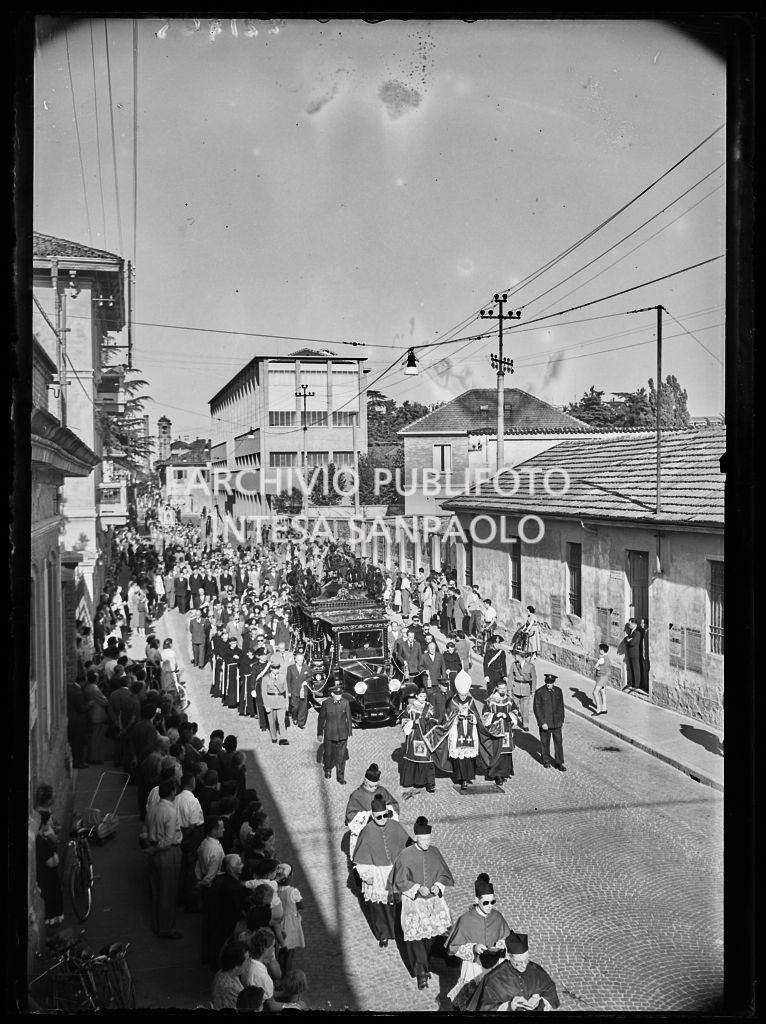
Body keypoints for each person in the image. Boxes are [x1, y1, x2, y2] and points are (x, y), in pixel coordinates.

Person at [389, 815, 454, 990]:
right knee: (415, 939)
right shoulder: (406, 855)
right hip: (414, 902)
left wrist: (438, 886)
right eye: (423, 839)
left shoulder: (434, 851)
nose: (426, 842)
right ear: (416, 837)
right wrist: (417, 888)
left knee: (429, 937)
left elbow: (444, 874)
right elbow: (400, 880)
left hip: (432, 902)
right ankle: (421, 972)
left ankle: (426, 961)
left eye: (428, 839)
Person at [352, 794, 410, 948]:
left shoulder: (395, 826)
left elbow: (407, 845)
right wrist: (366, 875)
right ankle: (382, 934)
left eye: (385, 815)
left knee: (397, 905)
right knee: (378, 908)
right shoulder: (367, 831)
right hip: (376, 873)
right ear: (372, 815)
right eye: (379, 817)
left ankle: (399, 931)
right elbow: (360, 858)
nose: (383, 819)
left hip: (394, 871)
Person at [446, 872, 512, 1006]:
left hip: (495, 965)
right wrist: (473, 948)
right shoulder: (465, 920)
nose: (490, 906)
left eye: (493, 901)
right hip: (474, 966)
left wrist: (500, 944)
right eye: (486, 902)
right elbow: (453, 947)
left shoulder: (497, 916)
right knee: (471, 1001)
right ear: (477, 900)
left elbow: (507, 937)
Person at [464, 931, 560, 1012]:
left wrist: (541, 1001)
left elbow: (550, 990)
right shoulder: (493, 979)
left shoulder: (535, 969)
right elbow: (486, 1009)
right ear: (509, 957)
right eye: (518, 962)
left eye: (526, 960)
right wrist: (510, 1006)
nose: (524, 965)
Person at [144, 778, 184, 939]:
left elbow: (146, 829)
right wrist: (154, 849)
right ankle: (166, 928)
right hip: (167, 854)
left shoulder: (152, 808)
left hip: (154, 851)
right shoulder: (171, 811)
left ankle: (158, 923)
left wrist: (151, 848)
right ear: (172, 792)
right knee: (168, 891)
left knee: (158, 890)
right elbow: (168, 841)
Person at [344, 763, 400, 858]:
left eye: (376, 786)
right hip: (364, 831)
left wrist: (388, 811)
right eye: (371, 786)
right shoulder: (356, 795)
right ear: (365, 781)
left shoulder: (382, 791)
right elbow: (350, 815)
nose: (374, 788)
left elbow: (393, 805)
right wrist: (368, 814)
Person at [34, 784, 64, 928]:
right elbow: (53, 839)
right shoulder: (43, 818)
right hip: (46, 869)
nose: (55, 797)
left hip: (44, 865)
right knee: (51, 892)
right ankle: (51, 923)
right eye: (52, 796)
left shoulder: (42, 812)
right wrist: (53, 835)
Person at [399, 690, 439, 794]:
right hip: (414, 735)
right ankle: (413, 780)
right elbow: (403, 721)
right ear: (416, 696)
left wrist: (426, 722)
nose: (423, 698)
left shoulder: (429, 707)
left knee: (428, 758)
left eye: (424, 696)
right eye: (421, 696)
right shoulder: (410, 707)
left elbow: (435, 720)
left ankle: (430, 783)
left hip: (425, 736)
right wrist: (413, 723)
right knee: (414, 757)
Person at [482, 680, 518, 788]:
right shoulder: (490, 701)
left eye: (504, 688)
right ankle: (497, 775)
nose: (503, 690)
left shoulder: (509, 700)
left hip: (507, 730)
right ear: (497, 688)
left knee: (505, 752)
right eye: (501, 688)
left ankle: (504, 772)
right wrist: (496, 715)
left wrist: (507, 715)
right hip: (496, 731)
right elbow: (485, 714)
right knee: (497, 751)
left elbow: (515, 712)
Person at [317, 681, 353, 784]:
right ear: (332, 694)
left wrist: (349, 731)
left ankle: (340, 777)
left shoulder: (345, 702)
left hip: (342, 734)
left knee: (341, 757)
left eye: (340, 694)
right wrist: (319, 733)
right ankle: (328, 769)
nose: (339, 696)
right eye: (337, 694)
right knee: (328, 754)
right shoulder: (326, 703)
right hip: (329, 733)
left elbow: (349, 717)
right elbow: (321, 719)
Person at [275, 864, 305, 974]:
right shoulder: (293, 891)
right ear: (289, 877)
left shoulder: (274, 889)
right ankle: (286, 975)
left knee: (280, 951)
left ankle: (279, 973)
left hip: (278, 922)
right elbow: (301, 905)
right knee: (289, 952)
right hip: (290, 924)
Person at [533, 673, 566, 771]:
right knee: (545, 742)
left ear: (554, 682)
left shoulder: (558, 691)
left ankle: (559, 762)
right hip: (545, 724)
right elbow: (537, 709)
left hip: (556, 723)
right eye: (547, 682)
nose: (548, 684)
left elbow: (561, 706)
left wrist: (561, 719)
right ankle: (546, 760)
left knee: (558, 742)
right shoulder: (539, 692)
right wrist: (542, 722)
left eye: (551, 683)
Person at [211, 939, 251, 1010]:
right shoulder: (230, 988)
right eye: (247, 960)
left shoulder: (222, 972)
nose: (249, 963)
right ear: (236, 966)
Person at [263, 659, 290, 745]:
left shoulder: (282, 677)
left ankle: (283, 738)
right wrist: (266, 705)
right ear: (271, 668)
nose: (276, 670)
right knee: (272, 721)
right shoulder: (265, 678)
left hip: (281, 700)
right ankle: (274, 736)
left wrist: (287, 703)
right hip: (270, 701)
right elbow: (263, 693)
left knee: (281, 721)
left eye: (277, 668)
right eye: (274, 668)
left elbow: (286, 691)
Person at [285, 646, 311, 729]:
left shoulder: (306, 667)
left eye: (302, 660)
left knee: (303, 708)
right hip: (294, 691)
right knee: (295, 707)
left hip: (304, 692)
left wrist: (306, 681)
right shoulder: (290, 668)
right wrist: (289, 692)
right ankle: (294, 717)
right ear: (295, 660)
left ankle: (301, 722)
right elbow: (288, 680)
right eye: (299, 660)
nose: (300, 662)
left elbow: (310, 677)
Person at [510, 652, 535, 732]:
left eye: (516, 655)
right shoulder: (513, 665)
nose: (515, 656)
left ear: (521, 656)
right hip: (516, 688)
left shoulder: (530, 666)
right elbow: (510, 677)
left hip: (526, 689)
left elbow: (534, 679)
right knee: (513, 707)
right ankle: (512, 722)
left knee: (525, 709)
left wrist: (533, 690)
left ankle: (525, 724)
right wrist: (509, 689)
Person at [592, 642, 610, 715]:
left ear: (602, 650)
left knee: (595, 692)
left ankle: (598, 709)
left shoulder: (602, 659)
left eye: (600, 649)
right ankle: (604, 708)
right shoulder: (607, 658)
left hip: (601, 677)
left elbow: (595, 666)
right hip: (605, 677)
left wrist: (598, 667)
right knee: (602, 692)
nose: (599, 650)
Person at [625, 617, 642, 689]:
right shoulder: (631, 631)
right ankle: (631, 683)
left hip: (635, 653)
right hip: (630, 652)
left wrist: (629, 640)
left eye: (630, 624)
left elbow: (633, 642)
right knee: (631, 668)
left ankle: (637, 685)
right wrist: (628, 640)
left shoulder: (637, 632)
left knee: (636, 669)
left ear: (634, 624)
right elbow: (626, 640)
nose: (629, 625)